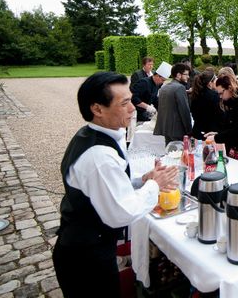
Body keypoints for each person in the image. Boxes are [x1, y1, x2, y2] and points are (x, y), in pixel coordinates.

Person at [52, 72, 178, 298]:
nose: (132, 109)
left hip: (87, 247)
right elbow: (121, 212)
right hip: (86, 256)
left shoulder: (94, 134)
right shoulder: (98, 156)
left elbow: (110, 184)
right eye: (125, 103)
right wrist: (155, 186)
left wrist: (143, 180)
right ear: (97, 109)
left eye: (131, 99)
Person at [154, 63, 192, 144]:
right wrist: (189, 131)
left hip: (166, 129)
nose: (188, 77)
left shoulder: (164, 87)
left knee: (170, 153)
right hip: (177, 131)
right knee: (179, 155)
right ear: (178, 75)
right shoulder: (180, 88)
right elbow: (184, 111)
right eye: (186, 74)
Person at [190, 70, 222, 140]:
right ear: (210, 83)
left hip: (197, 131)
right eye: (215, 79)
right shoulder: (214, 96)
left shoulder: (195, 94)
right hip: (210, 133)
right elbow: (219, 115)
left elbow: (193, 112)